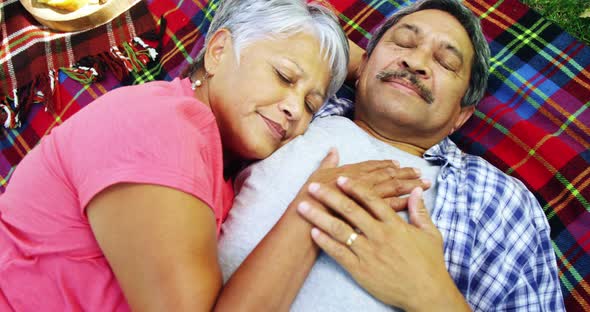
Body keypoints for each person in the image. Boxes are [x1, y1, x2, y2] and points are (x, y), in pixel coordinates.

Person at [0, 1, 422, 310]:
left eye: (312, 105)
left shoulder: (218, 167)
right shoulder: (163, 122)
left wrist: (391, 70)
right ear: (218, 51)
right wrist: (312, 210)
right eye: (283, 76)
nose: (295, 109)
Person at [218, 0, 565, 310]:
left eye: (446, 62)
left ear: (462, 115)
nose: (416, 62)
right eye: (403, 42)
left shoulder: (498, 200)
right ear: (364, 65)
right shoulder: (300, 103)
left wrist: (435, 297)